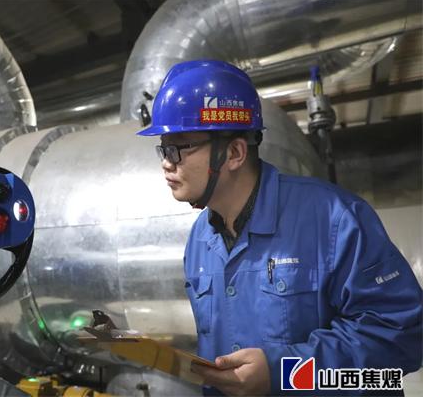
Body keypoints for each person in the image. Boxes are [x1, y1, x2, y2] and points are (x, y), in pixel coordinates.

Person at [136, 60, 422, 396]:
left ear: (234, 152)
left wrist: (285, 373)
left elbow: (403, 337)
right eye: (163, 148)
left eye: (178, 149)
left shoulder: (334, 218)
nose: (166, 163)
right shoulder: (200, 239)